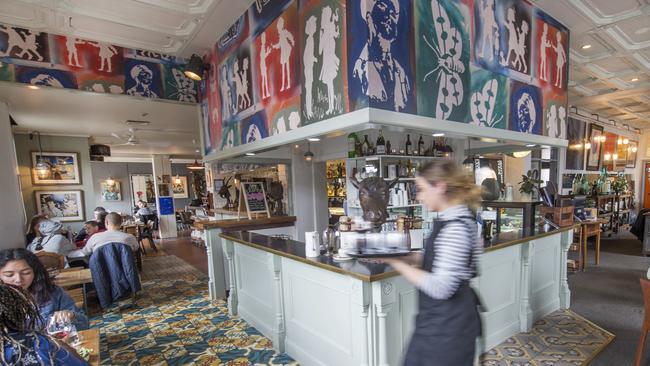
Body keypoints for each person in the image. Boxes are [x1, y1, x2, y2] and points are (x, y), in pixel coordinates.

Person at [379, 160, 482, 366]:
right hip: (439, 325)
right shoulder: (456, 221)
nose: (419, 196)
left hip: (447, 331)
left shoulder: (456, 229)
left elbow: (441, 287)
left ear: (440, 187)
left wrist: (395, 263)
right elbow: (436, 261)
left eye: (421, 189)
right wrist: (405, 257)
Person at [0, 249, 89, 331]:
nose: (18, 279)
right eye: (9, 275)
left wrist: (71, 316)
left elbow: (84, 324)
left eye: (26, 273)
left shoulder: (52, 292)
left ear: (35, 272)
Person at [0, 283, 88, 365]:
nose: (18, 279)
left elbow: (83, 322)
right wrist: (62, 347)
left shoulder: (54, 292)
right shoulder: (37, 342)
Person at [68, 213, 139, 258]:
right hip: (125, 270)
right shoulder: (130, 237)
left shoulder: (95, 237)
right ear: (121, 223)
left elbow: (84, 253)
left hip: (102, 272)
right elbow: (136, 248)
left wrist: (67, 254)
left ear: (106, 222)